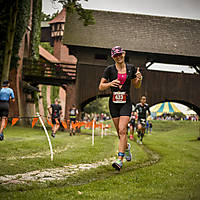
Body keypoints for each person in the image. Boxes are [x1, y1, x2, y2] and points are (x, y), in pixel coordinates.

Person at [99, 46, 142, 171]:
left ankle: (119, 159)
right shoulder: (109, 70)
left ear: (124, 54)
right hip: (113, 103)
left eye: (120, 54)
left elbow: (136, 85)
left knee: (123, 130)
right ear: (113, 57)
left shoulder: (131, 68)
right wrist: (110, 84)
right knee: (119, 132)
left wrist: (139, 78)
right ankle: (127, 147)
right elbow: (101, 86)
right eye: (115, 55)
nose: (118, 57)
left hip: (125, 102)